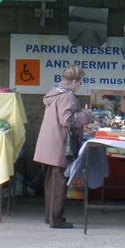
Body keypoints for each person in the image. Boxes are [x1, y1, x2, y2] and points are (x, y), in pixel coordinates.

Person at [33, 65, 94, 230]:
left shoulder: (54, 93)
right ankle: (57, 220)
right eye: (79, 83)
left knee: (50, 184)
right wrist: (87, 115)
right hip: (58, 146)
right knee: (59, 184)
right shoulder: (68, 97)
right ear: (74, 81)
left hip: (47, 145)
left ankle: (50, 217)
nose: (79, 86)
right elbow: (66, 120)